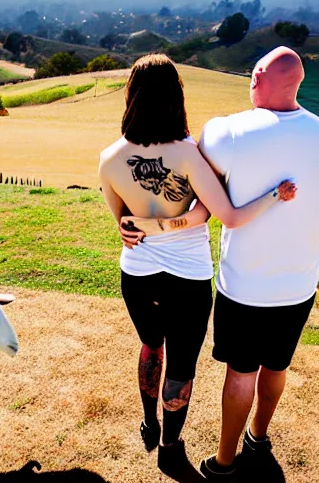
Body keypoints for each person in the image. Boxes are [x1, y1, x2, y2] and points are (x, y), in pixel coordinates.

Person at [98, 53, 296, 480]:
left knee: (151, 347)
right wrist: (275, 195)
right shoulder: (189, 155)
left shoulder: (110, 158)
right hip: (187, 278)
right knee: (182, 364)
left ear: (131, 97)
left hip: (137, 275)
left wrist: (145, 225)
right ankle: (170, 444)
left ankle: (148, 421)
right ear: (176, 98)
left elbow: (123, 224)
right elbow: (232, 216)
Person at [194, 46, 319, 482]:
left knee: (241, 372)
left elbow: (196, 162)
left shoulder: (227, 132)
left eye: (254, 72)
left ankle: (225, 461)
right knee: (278, 366)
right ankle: (258, 437)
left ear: (262, 76)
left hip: (243, 286)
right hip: (300, 284)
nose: (250, 78)